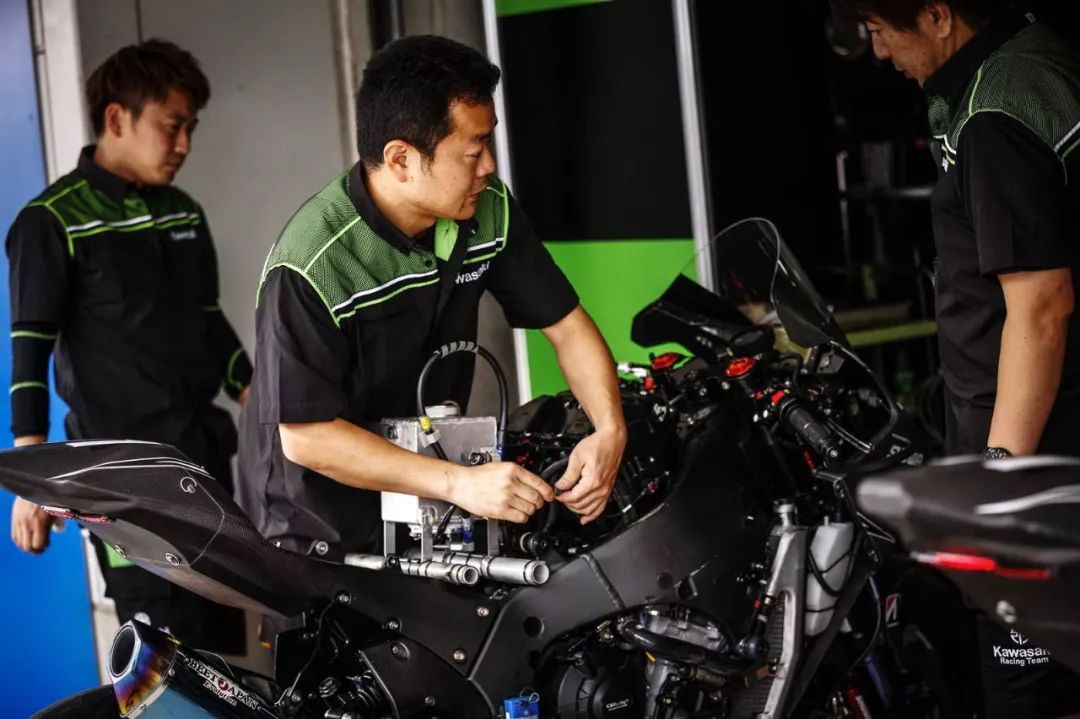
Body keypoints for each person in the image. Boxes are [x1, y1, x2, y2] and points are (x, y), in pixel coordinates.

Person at [236, 35, 626, 566]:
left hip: (431, 495)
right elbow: (309, 439)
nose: (489, 166)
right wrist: (458, 483)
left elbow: (566, 324)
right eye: (473, 151)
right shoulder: (312, 264)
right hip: (317, 521)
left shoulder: (487, 210)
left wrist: (609, 430)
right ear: (401, 159)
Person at [831, 1, 1080, 716]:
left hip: (1041, 479)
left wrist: (997, 486)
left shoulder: (993, 114)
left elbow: (1041, 308)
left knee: (1033, 698)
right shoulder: (1040, 54)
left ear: (938, 16)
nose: (880, 53)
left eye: (881, 32)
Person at [7, 39, 253, 654]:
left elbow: (209, 322)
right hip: (119, 482)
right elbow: (30, 351)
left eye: (191, 128)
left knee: (224, 650)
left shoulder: (183, 212)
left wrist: (267, 401)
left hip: (203, 464)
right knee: (160, 655)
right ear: (118, 118)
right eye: (172, 126)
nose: (185, 144)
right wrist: (35, 484)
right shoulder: (52, 221)